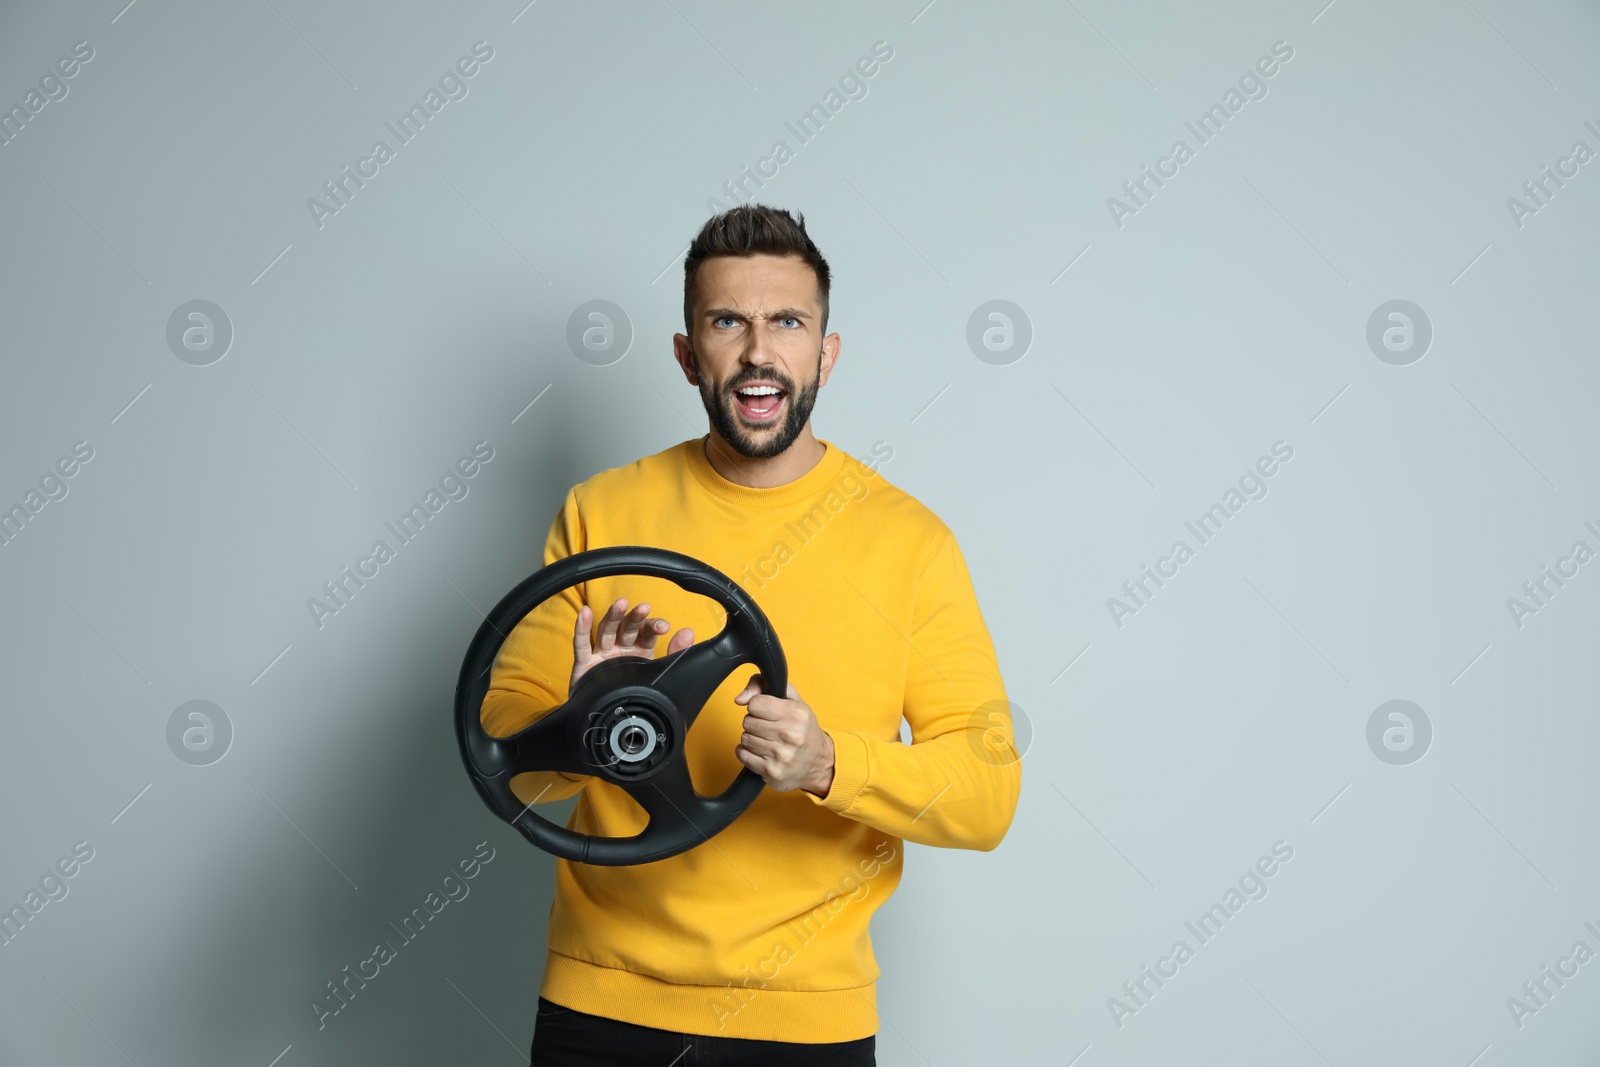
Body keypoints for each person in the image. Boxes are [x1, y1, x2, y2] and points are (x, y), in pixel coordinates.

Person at [482, 204, 1021, 1066]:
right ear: (688, 354)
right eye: (727, 321)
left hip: (807, 1023)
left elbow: (988, 792)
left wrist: (828, 765)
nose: (758, 351)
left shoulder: (910, 542)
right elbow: (509, 758)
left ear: (825, 353)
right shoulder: (602, 513)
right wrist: (585, 722)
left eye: (788, 322)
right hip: (601, 1007)